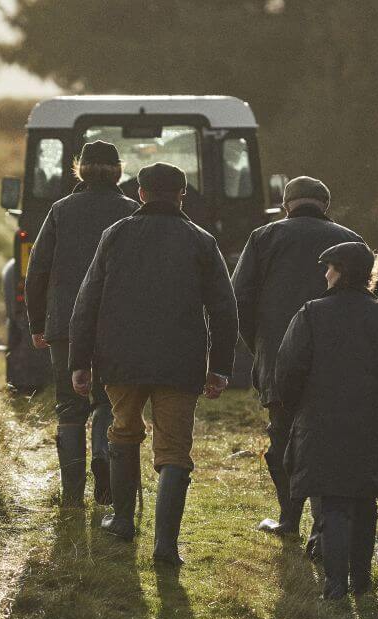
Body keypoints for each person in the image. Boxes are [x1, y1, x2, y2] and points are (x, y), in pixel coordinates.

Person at [68, 162, 238, 565]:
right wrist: (220, 367)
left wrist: (80, 361)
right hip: (180, 363)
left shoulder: (116, 235)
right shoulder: (201, 240)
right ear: (182, 195)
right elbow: (224, 309)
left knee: (124, 432)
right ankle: (166, 546)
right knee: (175, 451)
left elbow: (86, 301)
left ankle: (124, 522)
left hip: (121, 360)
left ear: (140, 193)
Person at [231, 176, 378, 537]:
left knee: (283, 441)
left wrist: (257, 344)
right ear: (326, 204)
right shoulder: (350, 239)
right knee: (328, 442)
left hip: (278, 358)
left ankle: (289, 520)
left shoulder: (263, 238)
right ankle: (326, 532)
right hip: (340, 363)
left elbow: (238, 299)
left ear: (286, 205)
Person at [275, 241, 378, 599]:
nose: (325, 274)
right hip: (372, 422)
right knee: (365, 502)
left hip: (320, 422)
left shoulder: (310, 314)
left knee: (334, 501)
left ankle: (335, 585)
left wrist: (296, 409)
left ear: (339, 271)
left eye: (329, 268)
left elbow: (289, 370)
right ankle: (362, 583)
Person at [25, 141, 139, 507]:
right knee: (110, 399)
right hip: (117, 323)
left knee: (69, 407)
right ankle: (104, 461)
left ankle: (72, 493)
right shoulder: (133, 213)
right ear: (118, 171)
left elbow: (37, 270)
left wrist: (37, 322)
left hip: (64, 324)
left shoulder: (60, 211)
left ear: (81, 170)